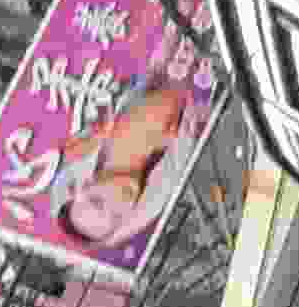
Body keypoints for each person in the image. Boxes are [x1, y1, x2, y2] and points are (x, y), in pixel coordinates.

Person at [52, 73, 201, 252]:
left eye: (98, 201)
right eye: (117, 217)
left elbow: (181, 83)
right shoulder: (158, 184)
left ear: (85, 183)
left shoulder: (125, 135)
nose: (119, 202)